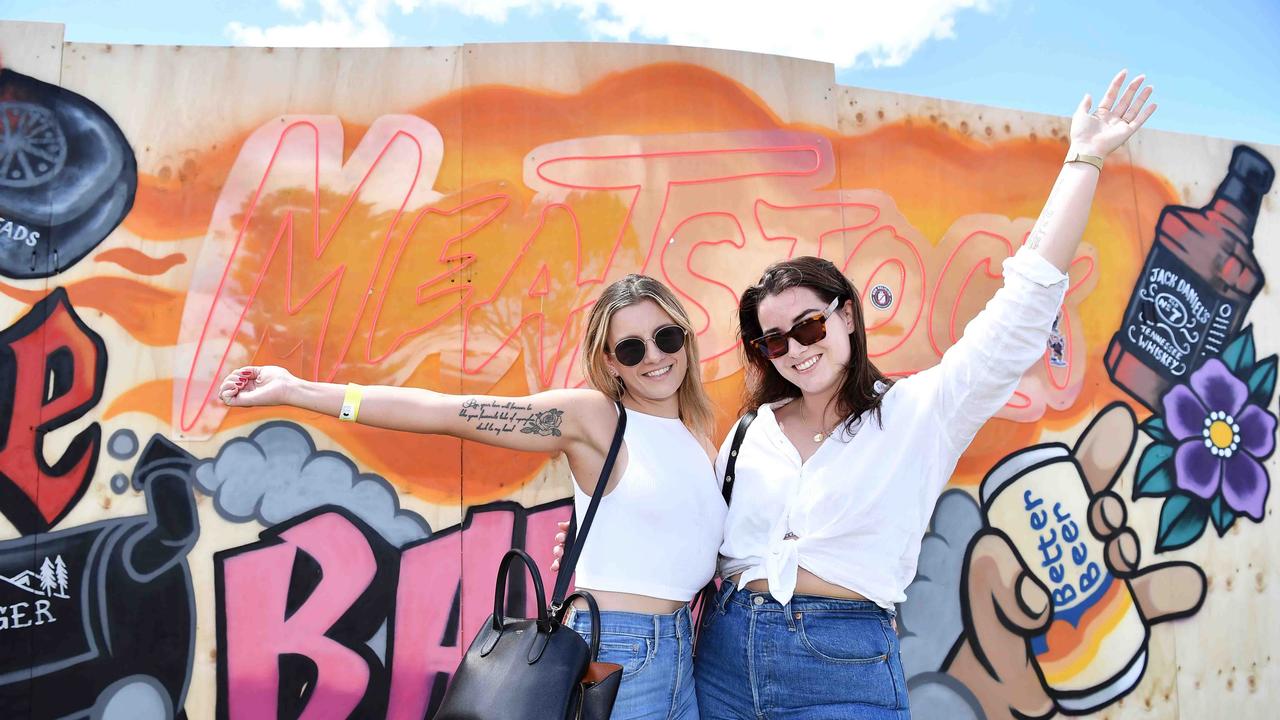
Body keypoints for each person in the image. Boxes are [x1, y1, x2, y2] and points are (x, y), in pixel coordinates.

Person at [691, 70, 1157, 720]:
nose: (796, 348)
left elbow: (1022, 310)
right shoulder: (748, 433)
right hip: (721, 657)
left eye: (809, 325)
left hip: (842, 662)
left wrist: (1084, 158)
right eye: (774, 341)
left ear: (847, 316)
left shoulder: (916, 414)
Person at [218, 274, 723, 720]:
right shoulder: (595, 418)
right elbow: (445, 411)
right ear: (610, 362)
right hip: (620, 651)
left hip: (685, 648)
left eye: (666, 337)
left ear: (684, 338)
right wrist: (297, 390)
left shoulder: (699, 435)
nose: (654, 357)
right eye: (632, 348)